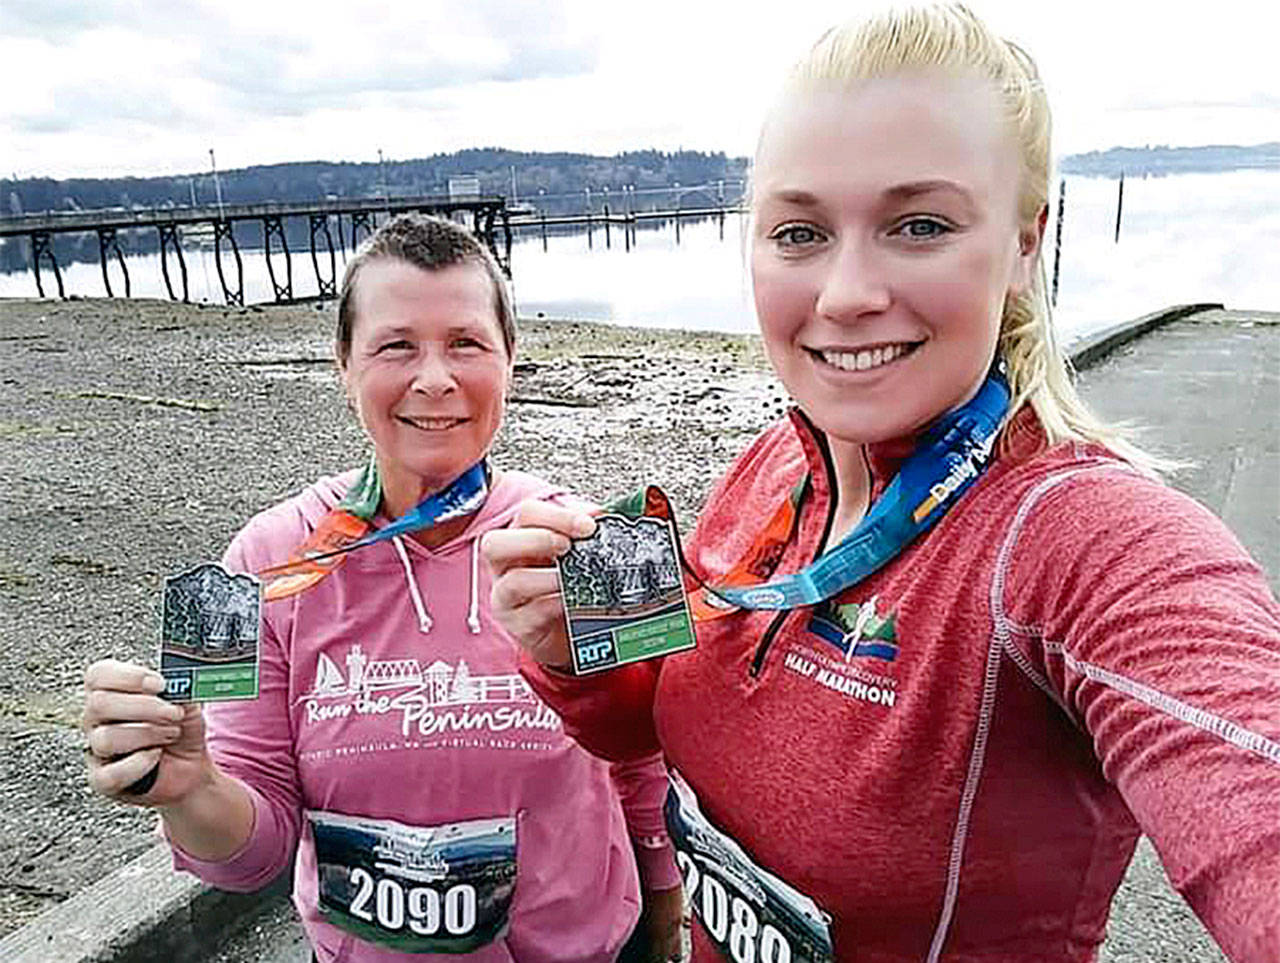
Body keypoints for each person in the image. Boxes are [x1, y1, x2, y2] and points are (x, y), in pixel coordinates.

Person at [482, 6, 1280, 962]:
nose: (846, 293)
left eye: (920, 224)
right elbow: (646, 723)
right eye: (798, 231)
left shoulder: (1083, 543)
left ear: (1027, 243)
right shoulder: (776, 463)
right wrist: (576, 650)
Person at [81, 213, 682, 963]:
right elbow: (249, 857)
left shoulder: (588, 538)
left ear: (510, 359)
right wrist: (189, 788)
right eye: (397, 345)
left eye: (466, 343)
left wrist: (663, 915)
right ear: (343, 363)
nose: (435, 378)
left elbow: (647, 762)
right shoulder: (251, 565)